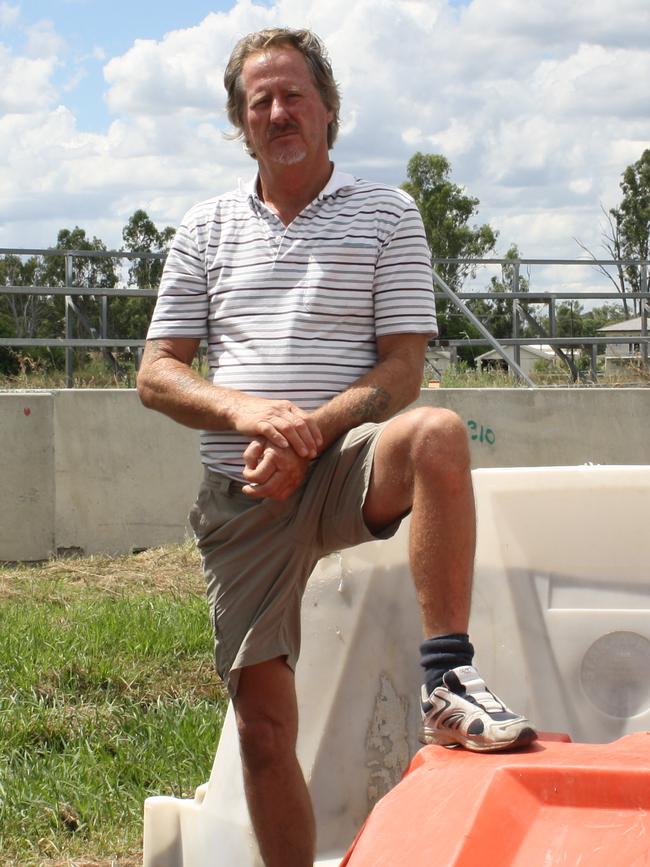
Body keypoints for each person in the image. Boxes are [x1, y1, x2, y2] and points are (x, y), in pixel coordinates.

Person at [137, 27, 537, 867]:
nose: (279, 112)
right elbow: (158, 374)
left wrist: (311, 430)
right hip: (242, 493)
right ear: (241, 123)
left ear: (329, 112)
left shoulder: (386, 212)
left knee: (436, 435)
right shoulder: (203, 229)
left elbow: (403, 369)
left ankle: (448, 679)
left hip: (345, 465)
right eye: (260, 102)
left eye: (294, 96)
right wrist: (253, 418)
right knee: (264, 728)